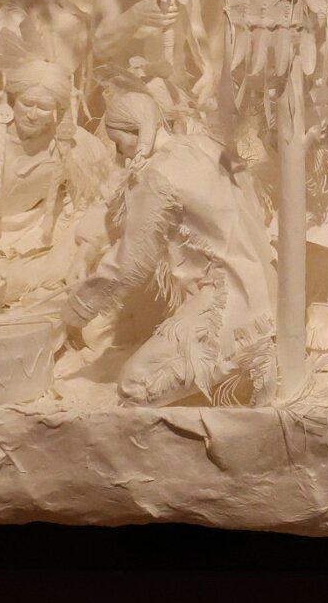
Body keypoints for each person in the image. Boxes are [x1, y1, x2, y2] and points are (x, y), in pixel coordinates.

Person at [64, 104, 279, 407]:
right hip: (267, 285)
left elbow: (133, 259)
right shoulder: (206, 144)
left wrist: (82, 304)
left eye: (118, 142)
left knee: (133, 386)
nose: (120, 153)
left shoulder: (158, 175)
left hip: (228, 300)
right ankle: (245, 356)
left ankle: (245, 359)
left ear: (135, 133)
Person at [0, 58, 116, 307]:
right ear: (12, 98)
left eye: (44, 108)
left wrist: (84, 254)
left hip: (38, 236)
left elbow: (96, 201)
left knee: (101, 248)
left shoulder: (72, 143)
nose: (33, 115)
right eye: (27, 104)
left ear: (57, 109)